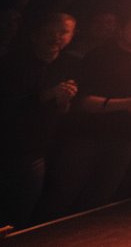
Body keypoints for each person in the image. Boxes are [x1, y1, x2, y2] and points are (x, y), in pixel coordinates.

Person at [37, 9, 131, 219]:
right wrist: (128, 104)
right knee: (63, 193)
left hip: (125, 137)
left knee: (100, 197)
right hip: (87, 135)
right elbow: (84, 101)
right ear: (121, 29)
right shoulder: (100, 56)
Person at [0, 12, 78, 228]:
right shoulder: (15, 63)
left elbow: (62, 111)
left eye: (63, 32)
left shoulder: (65, 65)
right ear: (35, 36)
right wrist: (49, 94)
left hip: (36, 150)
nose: (56, 38)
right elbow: (8, 104)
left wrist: (63, 100)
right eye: (51, 32)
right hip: (7, 147)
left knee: (20, 215)